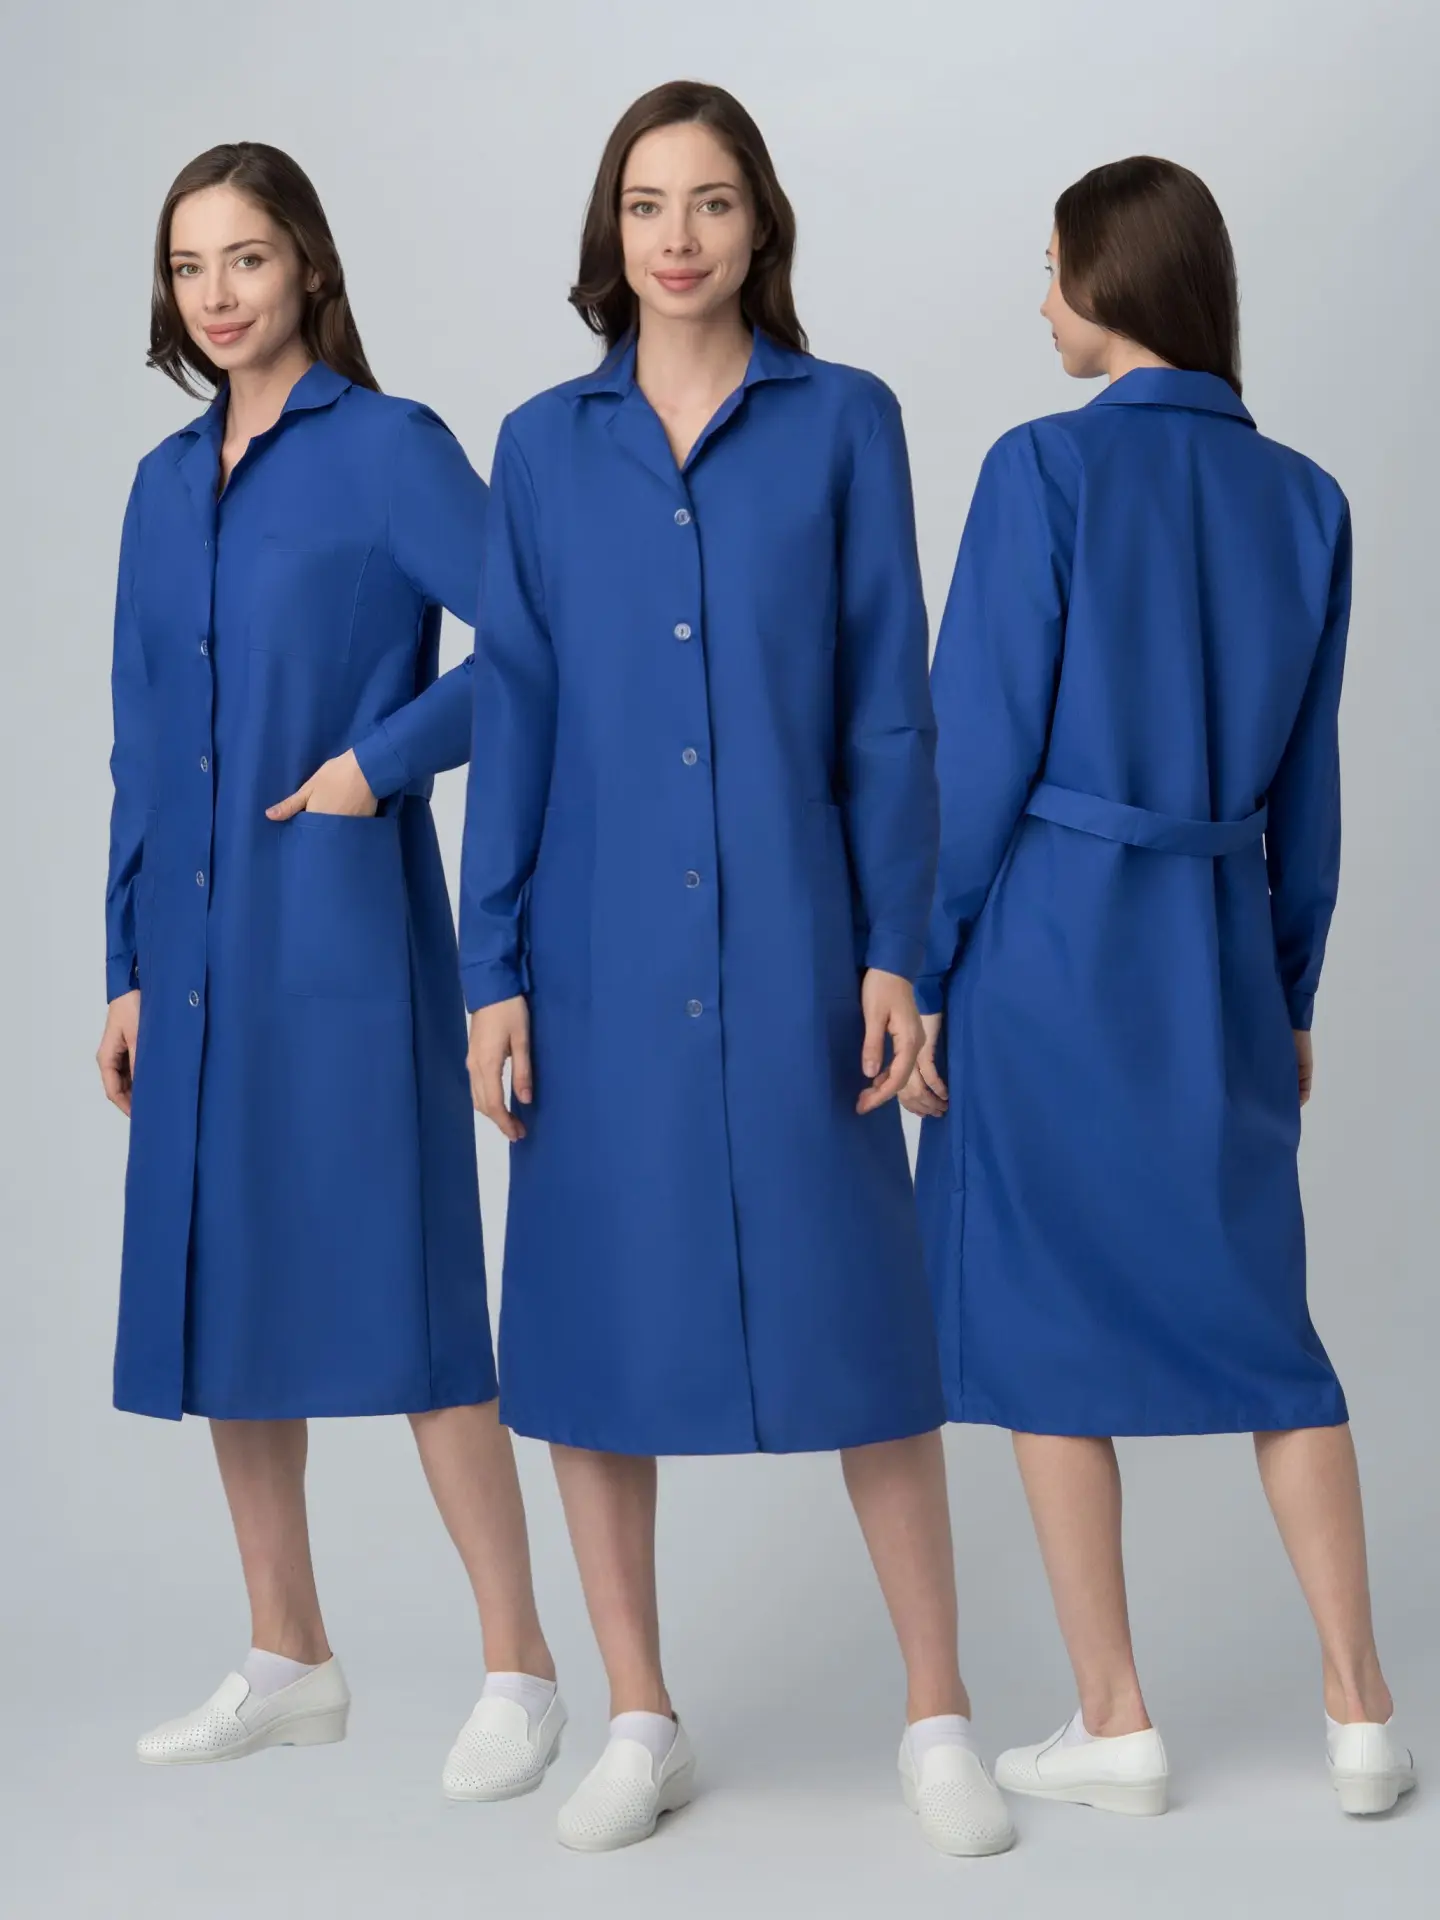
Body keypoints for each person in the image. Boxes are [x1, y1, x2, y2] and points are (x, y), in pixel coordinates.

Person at [459, 82, 1012, 1856]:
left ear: (760, 220)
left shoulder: (846, 422)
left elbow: (889, 710)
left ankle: (937, 1712)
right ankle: (640, 1713)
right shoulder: (541, 448)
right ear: (609, 231)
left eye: (708, 202)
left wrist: (896, 946)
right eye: (645, 204)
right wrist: (491, 968)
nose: (677, 237)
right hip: (596, 955)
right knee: (586, 1327)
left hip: (797, 944)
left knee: (865, 1318)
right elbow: (517, 715)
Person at [903, 156, 1413, 1820]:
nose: (1038, 302)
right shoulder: (1308, 501)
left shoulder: (1042, 467)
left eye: (1049, 268)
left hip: (1048, 954)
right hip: (1215, 956)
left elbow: (975, 753)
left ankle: (1114, 1720)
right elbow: (1308, 795)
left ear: (1107, 280)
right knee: (1273, 1339)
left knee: (1043, 1323)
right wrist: (1289, 990)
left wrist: (920, 964)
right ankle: (1362, 1711)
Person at [98, 142, 559, 1794]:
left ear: (307, 262)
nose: (217, 294)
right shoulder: (162, 483)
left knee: (419, 1293)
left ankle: (520, 1664)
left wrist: (385, 760)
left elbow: (537, 640)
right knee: (222, 1276)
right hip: (193, 949)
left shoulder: (389, 448)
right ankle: (286, 1650)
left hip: (346, 929)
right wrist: (123, 960)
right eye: (189, 267)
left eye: (246, 257)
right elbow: (142, 740)